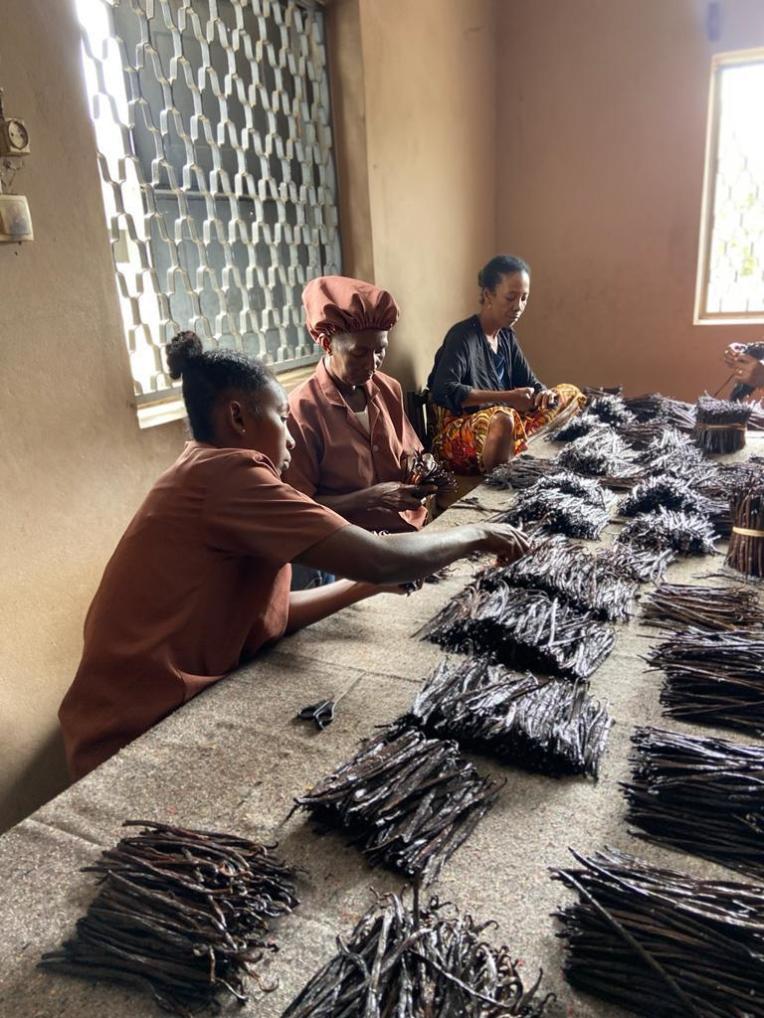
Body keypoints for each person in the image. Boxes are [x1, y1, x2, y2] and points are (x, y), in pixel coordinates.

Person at [59, 333, 530, 780]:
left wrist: (362, 586)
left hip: (158, 705)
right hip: (132, 731)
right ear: (238, 417)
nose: (290, 436)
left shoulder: (205, 469)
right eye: (281, 417)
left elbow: (273, 618)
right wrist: (478, 533)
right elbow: (384, 558)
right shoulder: (229, 476)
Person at [286, 275, 434, 534]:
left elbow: (411, 453)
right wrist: (372, 497)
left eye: (380, 350)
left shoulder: (389, 389)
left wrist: (423, 467)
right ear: (327, 344)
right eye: (359, 353)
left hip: (408, 527)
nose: (372, 363)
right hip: (350, 543)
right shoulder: (301, 410)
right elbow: (299, 505)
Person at [428, 254, 585, 473]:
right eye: (510, 297)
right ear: (488, 295)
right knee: (503, 419)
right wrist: (508, 397)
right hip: (460, 435)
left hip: (505, 426)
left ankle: (522, 459)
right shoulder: (463, 336)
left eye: (524, 298)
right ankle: (501, 480)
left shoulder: (506, 337)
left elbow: (530, 382)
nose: (518, 307)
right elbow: (442, 390)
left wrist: (543, 394)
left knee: (569, 394)